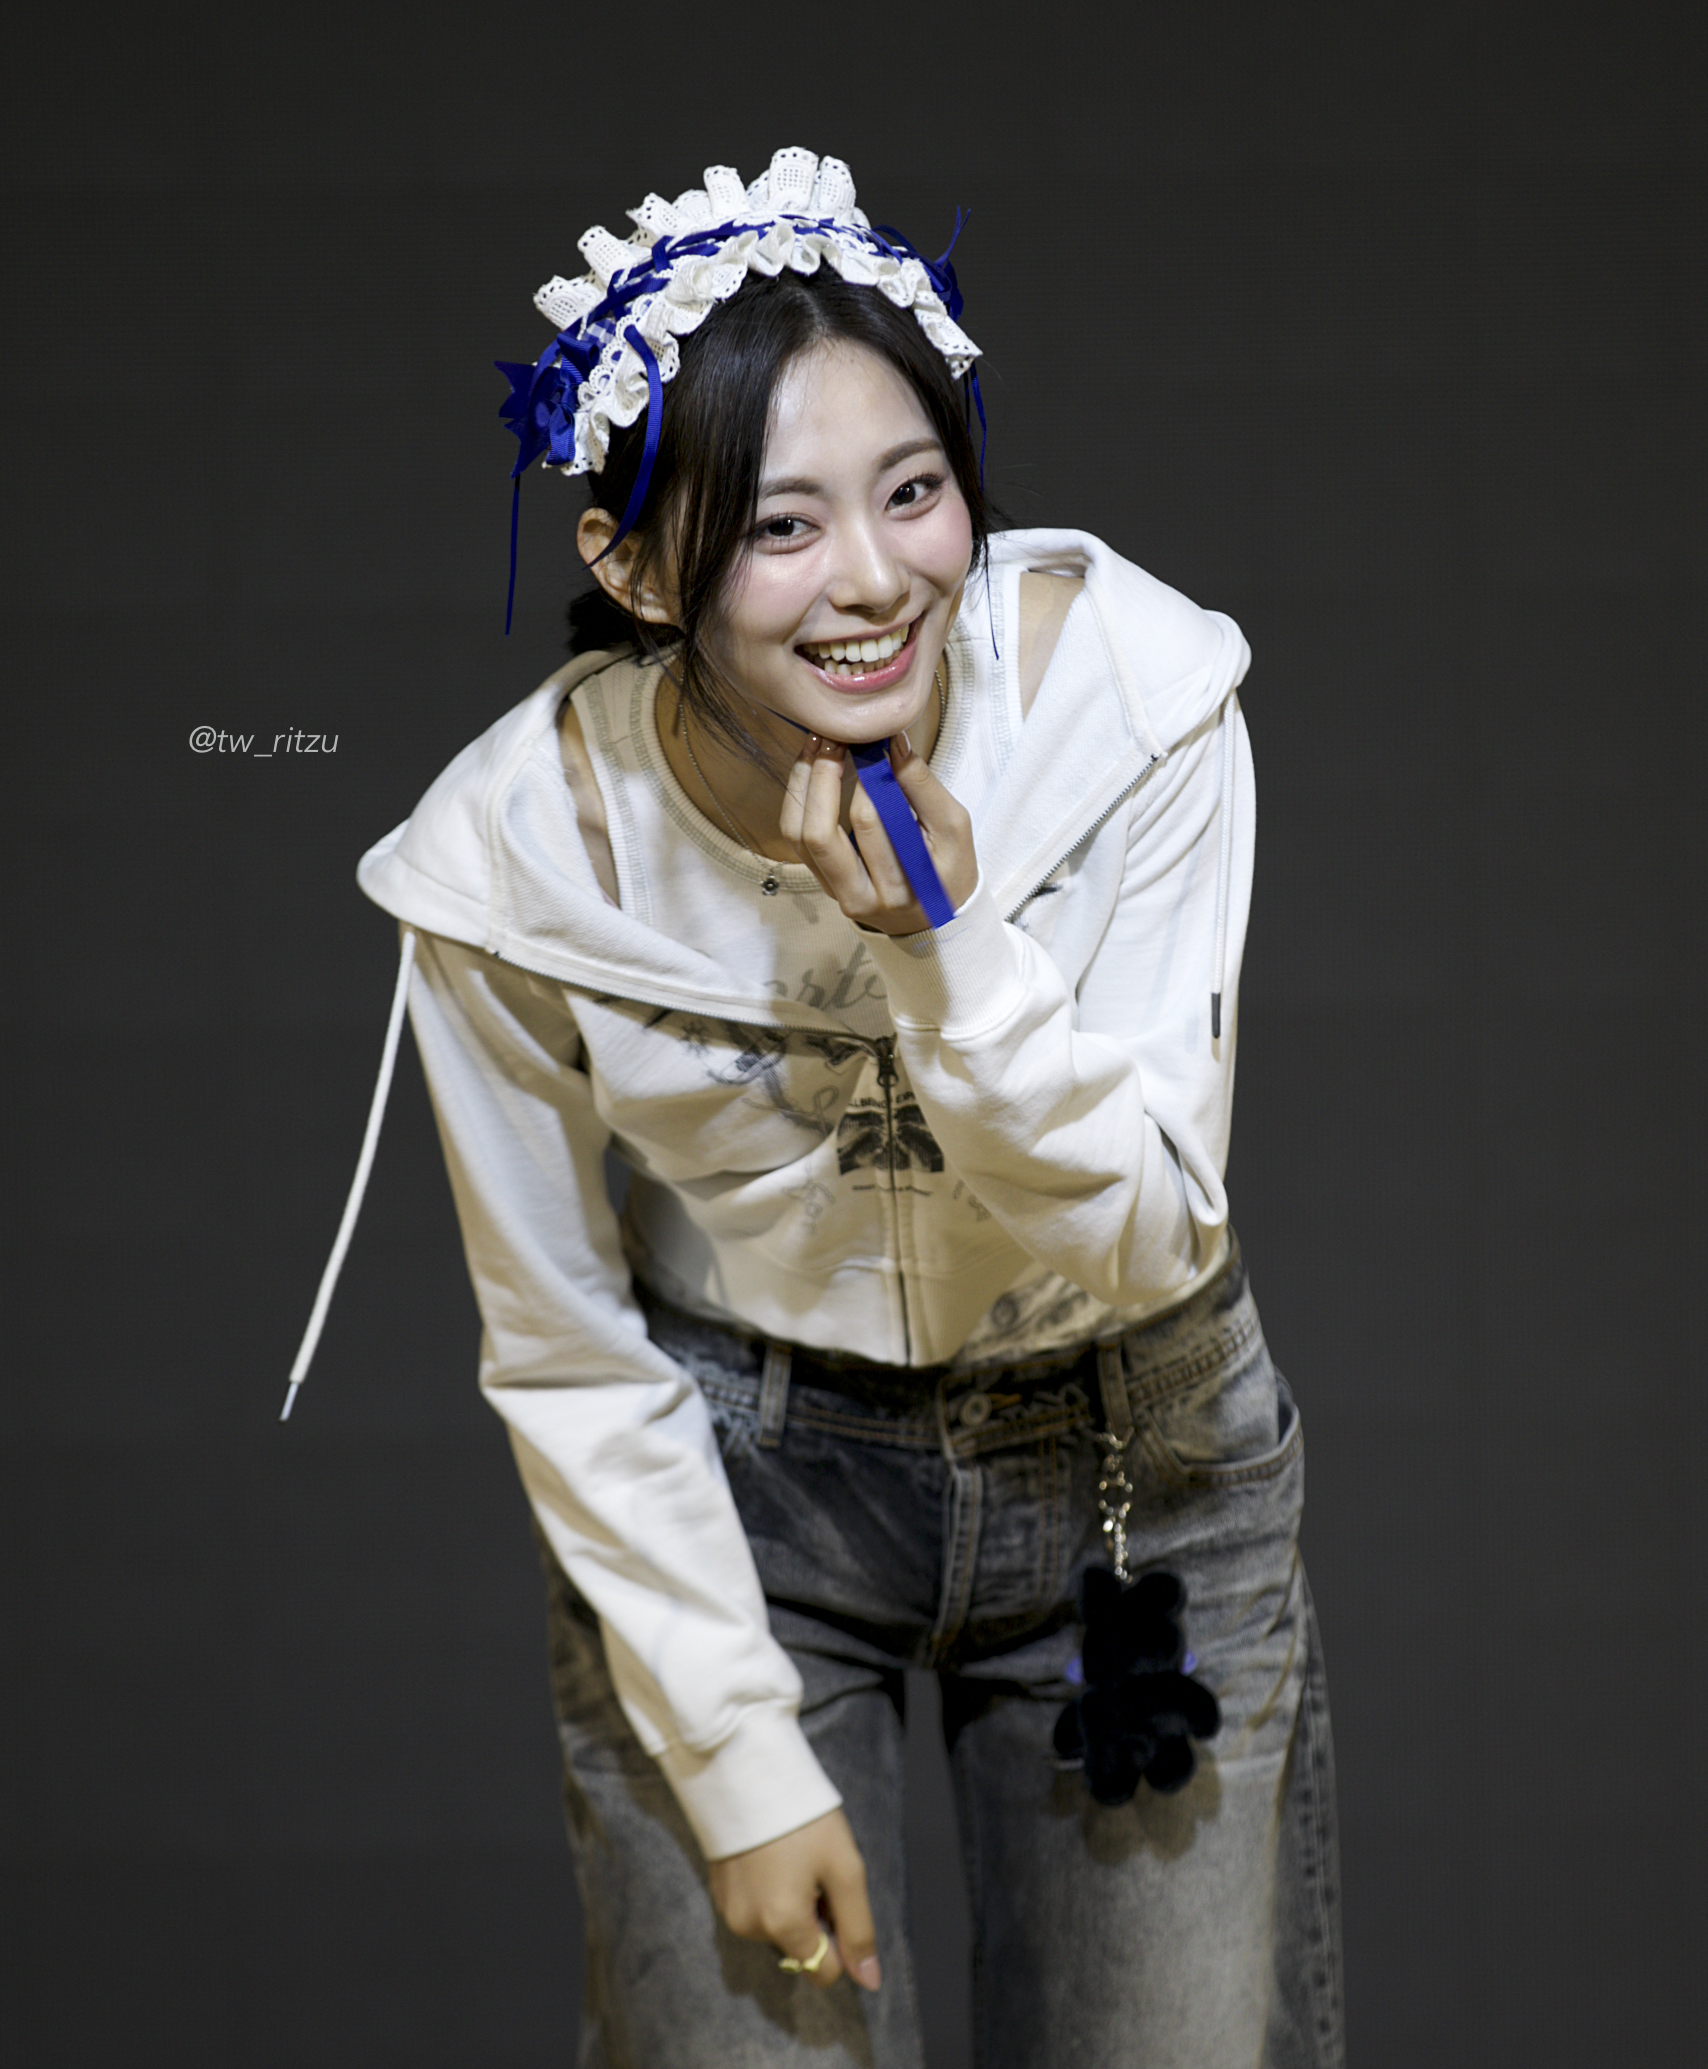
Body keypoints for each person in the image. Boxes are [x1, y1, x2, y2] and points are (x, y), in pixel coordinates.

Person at [292, 147, 1344, 2066]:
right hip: (739, 1500)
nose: (875, 578)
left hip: (1134, 1466)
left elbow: (1151, 1233)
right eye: (782, 524)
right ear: (631, 564)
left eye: (915, 489)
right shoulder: (519, 858)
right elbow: (560, 1337)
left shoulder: (1134, 699)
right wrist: (729, 1745)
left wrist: (946, 956)